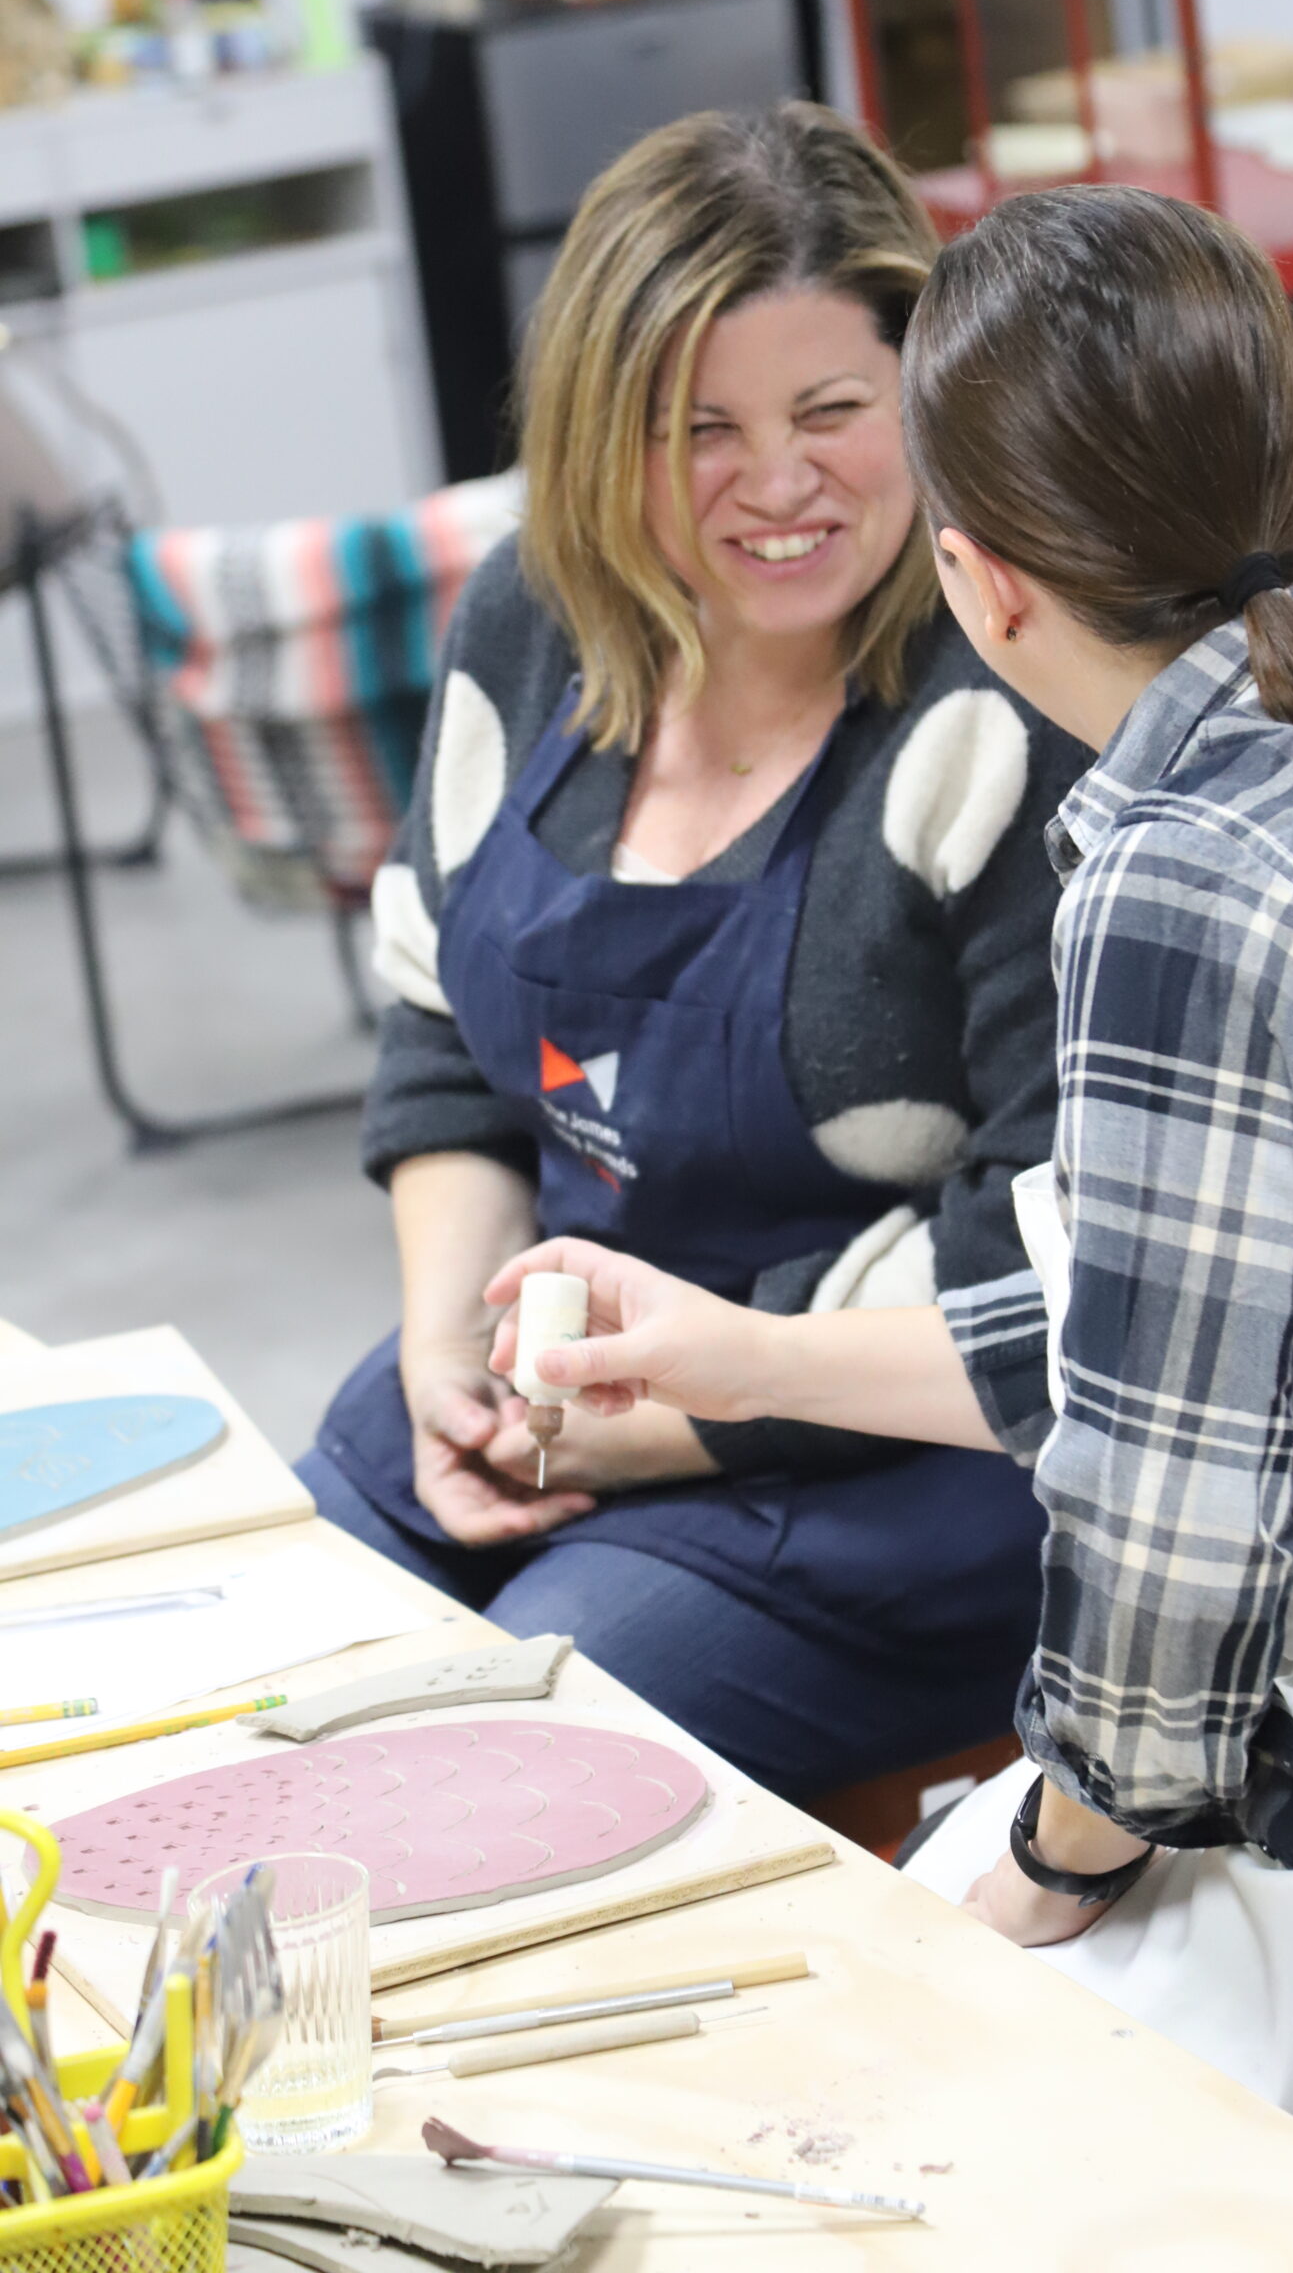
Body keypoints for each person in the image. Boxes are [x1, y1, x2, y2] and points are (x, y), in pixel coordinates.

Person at [487, 184, 1293, 2226]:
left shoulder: (1177, 858)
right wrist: (745, 1358)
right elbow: (1225, 1318)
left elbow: (1170, 1511)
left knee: (900, 2103)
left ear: (972, 576)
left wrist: (1058, 1841)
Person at [303, 105, 1087, 1806]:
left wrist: (652, 1419)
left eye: (831, 412)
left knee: (495, 1788)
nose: (780, 484)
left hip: (891, 1468)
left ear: (924, 400)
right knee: (264, 1683)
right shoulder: (535, 622)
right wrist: (451, 1348)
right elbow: (444, 1042)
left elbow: (1040, 1260)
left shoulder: (1011, 709)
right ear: (602, 437)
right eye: (698, 430)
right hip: (545, 1373)